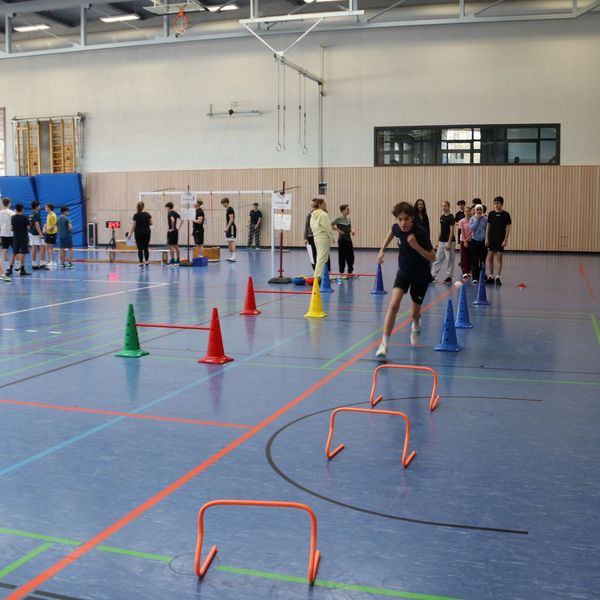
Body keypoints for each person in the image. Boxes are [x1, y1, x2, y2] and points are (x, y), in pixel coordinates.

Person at [375, 202, 435, 361]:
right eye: (400, 219)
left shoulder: (420, 232)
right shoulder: (396, 228)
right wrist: (382, 249)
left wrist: (416, 246)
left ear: (412, 218)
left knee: (413, 313)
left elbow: (433, 257)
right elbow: (391, 232)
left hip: (421, 275)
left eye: (406, 219)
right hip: (404, 272)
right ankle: (384, 344)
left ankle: (416, 323)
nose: (403, 223)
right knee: (393, 304)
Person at [485, 196, 512, 286]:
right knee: (490, 258)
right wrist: (486, 238)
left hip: (500, 240)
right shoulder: (491, 214)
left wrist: (505, 240)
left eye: (498, 203)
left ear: (502, 204)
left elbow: (508, 227)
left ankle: (497, 277)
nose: (496, 205)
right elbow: (488, 226)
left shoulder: (506, 214)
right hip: (491, 239)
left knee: (499, 258)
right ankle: (491, 276)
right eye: (495, 203)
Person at [309, 198, 335, 279]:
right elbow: (328, 227)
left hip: (316, 237)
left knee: (321, 257)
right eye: (324, 203)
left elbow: (311, 226)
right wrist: (332, 237)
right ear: (320, 205)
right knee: (322, 257)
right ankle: (317, 276)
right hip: (323, 237)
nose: (325, 205)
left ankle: (323, 275)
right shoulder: (323, 214)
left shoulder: (313, 215)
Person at [430, 200, 455, 283]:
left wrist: (449, 243)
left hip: (449, 242)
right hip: (441, 241)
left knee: (449, 260)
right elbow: (441, 230)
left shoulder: (451, 217)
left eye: (445, 206)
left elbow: (452, 231)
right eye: (442, 206)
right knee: (437, 259)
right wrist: (437, 241)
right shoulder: (442, 217)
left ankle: (449, 277)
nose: (444, 207)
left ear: (449, 207)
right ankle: (432, 276)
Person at [331, 204, 355, 277]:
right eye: (347, 209)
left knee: (351, 256)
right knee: (342, 257)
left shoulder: (348, 219)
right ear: (342, 211)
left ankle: (350, 271)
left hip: (349, 240)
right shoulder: (338, 219)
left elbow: (349, 228)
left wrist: (352, 230)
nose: (348, 210)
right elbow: (331, 225)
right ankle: (341, 272)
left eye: (348, 209)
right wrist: (338, 230)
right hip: (342, 240)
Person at [127, 201, 152, 268]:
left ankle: (141, 263)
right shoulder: (148, 214)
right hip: (147, 232)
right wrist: (145, 223)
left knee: (140, 248)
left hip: (138, 233)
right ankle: (146, 261)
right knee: (146, 247)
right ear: (143, 207)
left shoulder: (136, 215)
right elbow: (151, 223)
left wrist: (130, 234)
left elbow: (133, 226)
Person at [11, 204, 32, 276]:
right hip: (23, 237)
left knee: (14, 253)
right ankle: (22, 270)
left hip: (15, 237)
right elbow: (28, 228)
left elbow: (12, 228)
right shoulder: (25, 217)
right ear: (22, 209)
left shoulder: (13, 217)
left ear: (16, 209)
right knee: (23, 253)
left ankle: (10, 269)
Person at [469, 204, 487, 284]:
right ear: (475, 211)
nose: (479, 211)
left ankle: (482, 276)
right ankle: (475, 277)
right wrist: (477, 219)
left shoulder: (485, 219)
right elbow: (472, 228)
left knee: (482, 260)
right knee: (475, 260)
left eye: (480, 209)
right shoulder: (472, 219)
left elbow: (487, 229)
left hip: (483, 241)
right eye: (477, 210)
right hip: (475, 241)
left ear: (482, 210)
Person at [29, 200, 48, 270]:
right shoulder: (36, 213)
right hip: (36, 233)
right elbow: (36, 224)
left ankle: (34, 264)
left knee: (33, 247)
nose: (40, 207)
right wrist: (41, 234)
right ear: (36, 207)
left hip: (31, 233)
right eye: (39, 206)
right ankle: (42, 263)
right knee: (43, 247)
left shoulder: (31, 214)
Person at [457, 205, 472, 280]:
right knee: (463, 256)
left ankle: (469, 271)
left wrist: (469, 239)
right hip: (463, 240)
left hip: (471, 240)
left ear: (470, 212)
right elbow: (462, 232)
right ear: (464, 212)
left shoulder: (473, 220)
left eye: (468, 211)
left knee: (470, 256)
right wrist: (465, 241)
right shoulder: (461, 221)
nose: (467, 212)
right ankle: (464, 272)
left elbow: (473, 231)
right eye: (466, 211)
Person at [0, 198, 15, 272]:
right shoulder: (12, 213)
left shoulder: (0, 213)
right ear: (9, 203)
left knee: (5, 250)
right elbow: (14, 224)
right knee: (16, 250)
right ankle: (17, 267)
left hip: (3, 234)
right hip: (11, 234)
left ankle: (7, 268)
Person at [165, 201, 181, 266]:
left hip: (171, 231)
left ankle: (172, 260)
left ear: (168, 207)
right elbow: (182, 219)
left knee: (171, 246)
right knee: (176, 245)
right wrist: (178, 227)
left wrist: (172, 228)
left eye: (166, 208)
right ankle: (178, 259)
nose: (166, 209)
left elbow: (172, 220)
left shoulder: (170, 213)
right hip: (176, 231)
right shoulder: (175, 213)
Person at [221, 197, 236, 262]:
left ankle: (234, 257)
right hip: (229, 227)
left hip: (231, 227)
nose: (222, 205)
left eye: (223, 203)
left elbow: (231, 219)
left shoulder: (230, 209)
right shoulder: (228, 209)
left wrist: (227, 227)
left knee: (232, 241)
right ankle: (231, 256)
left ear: (226, 202)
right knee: (229, 241)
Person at [43, 203, 57, 268]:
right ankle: (48, 260)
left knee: (51, 248)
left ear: (49, 208)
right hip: (48, 233)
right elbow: (47, 222)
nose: (45, 208)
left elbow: (53, 225)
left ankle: (53, 261)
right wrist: (44, 227)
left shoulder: (53, 215)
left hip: (52, 233)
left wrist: (46, 230)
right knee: (46, 247)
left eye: (46, 207)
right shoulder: (48, 214)